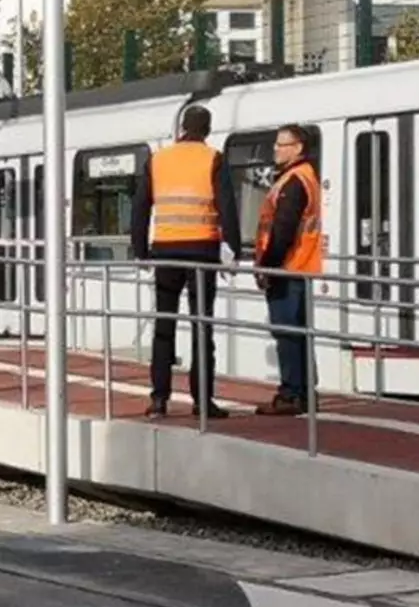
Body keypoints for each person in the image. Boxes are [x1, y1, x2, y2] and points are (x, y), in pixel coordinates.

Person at [131, 104, 241, 419]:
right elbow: (227, 208)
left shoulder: (159, 159)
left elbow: (141, 207)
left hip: (165, 251)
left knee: (164, 325)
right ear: (206, 129)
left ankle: (159, 399)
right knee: (201, 326)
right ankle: (202, 401)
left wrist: (140, 250)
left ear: (182, 127)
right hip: (202, 254)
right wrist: (232, 250)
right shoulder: (213, 158)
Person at [253, 124, 323, 415]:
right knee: (299, 332)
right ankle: (304, 392)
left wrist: (267, 267)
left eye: (281, 145)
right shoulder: (305, 178)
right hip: (301, 266)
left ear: (297, 148)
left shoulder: (293, 182)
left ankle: (291, 393)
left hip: (288, 268)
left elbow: (282, 230)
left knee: (287, 332)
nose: (275, 150)